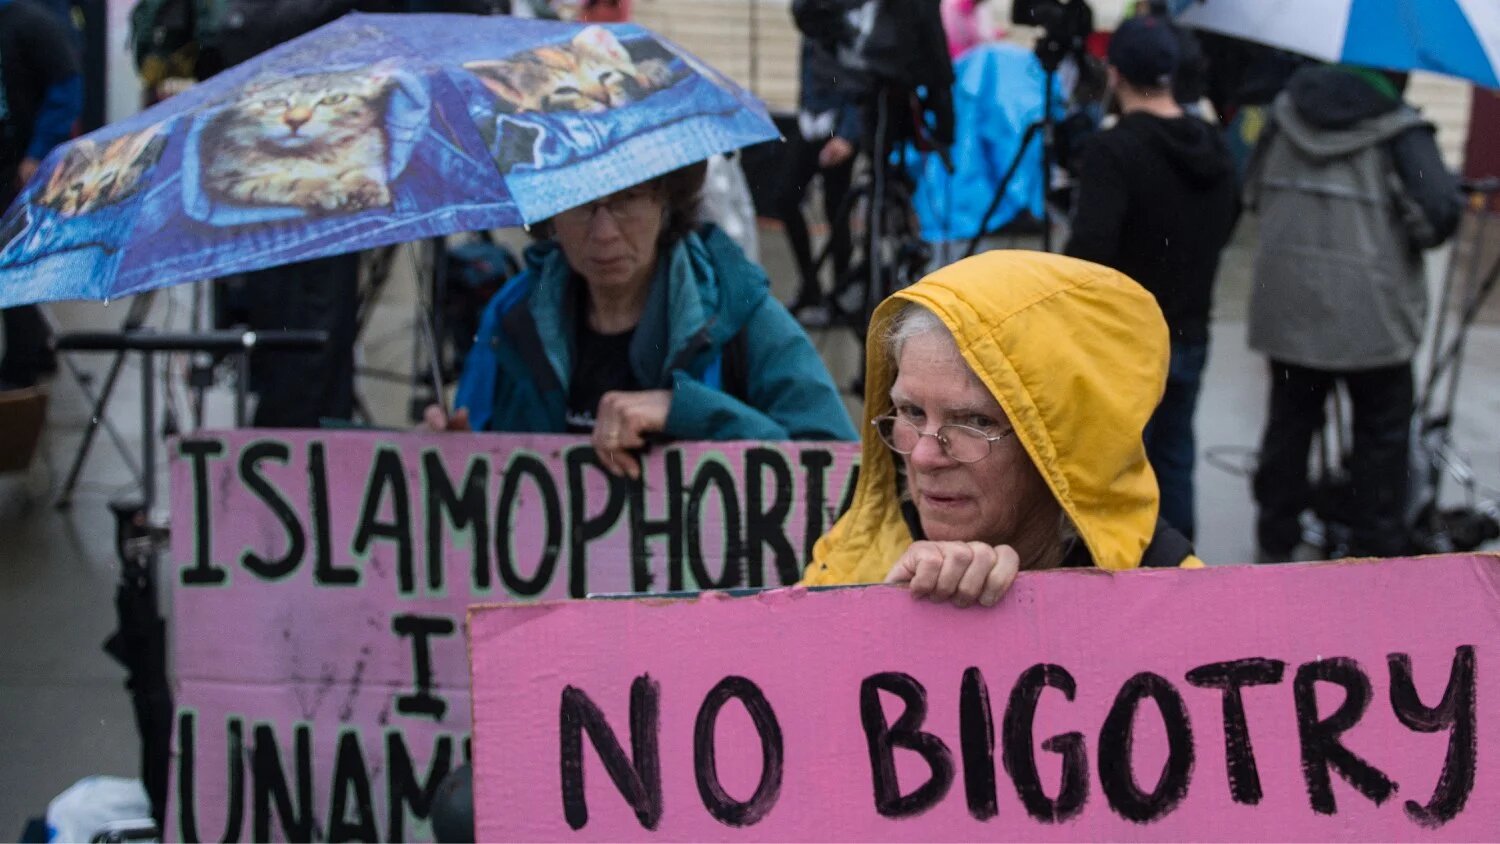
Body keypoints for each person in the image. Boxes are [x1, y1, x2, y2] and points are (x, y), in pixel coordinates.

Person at [801, 250, 1201, 607]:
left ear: (1062, 444)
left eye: (975, 421)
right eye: (911, 411)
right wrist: (887, 619)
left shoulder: (1186, 605)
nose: (923, 456)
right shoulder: (857, 556)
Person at [428, 162, 857, 477]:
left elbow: (839, 472)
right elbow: (475, 460)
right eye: (580, 206)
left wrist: (685, 410)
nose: (603, 233)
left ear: (667, 202)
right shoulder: (512, 316)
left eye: (627, 200)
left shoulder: (741, 312)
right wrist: (441, 455)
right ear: (550, 215)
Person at [1245, 64, 1462, 561]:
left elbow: (1252, 193)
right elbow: (1438, 217)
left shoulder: (1281, 115)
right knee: (1380, 446)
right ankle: (1374, 557)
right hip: (1374, 322)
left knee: (1288, 430)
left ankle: (1273, 547)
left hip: (1290, 313)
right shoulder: (1403, 132)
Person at [1064, 15, 1239, 543]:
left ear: (1114, 75)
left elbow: (1089, 252)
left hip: (1124, 340)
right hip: (1189, 330)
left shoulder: (1113, 151)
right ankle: (1180, 568)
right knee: (1174, 457)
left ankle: (1119, 566)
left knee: (1113, 469)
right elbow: (1227, 222)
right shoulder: (1214, 145)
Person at [0, 0, 81, 391]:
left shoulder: (30, 23)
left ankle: (22, 363)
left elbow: (66, 88)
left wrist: (37, 154)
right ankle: (35, 350)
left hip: (20, 166)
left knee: (12, 263)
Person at [775, 30, 860, 327]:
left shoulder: (847, 18)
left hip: (838, 125)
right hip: (811, 120)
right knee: (785, 198)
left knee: (836, 210)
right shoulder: (812, 16)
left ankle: (840, 294)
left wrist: (849, 134)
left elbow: (860, 73)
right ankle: (811, 288)